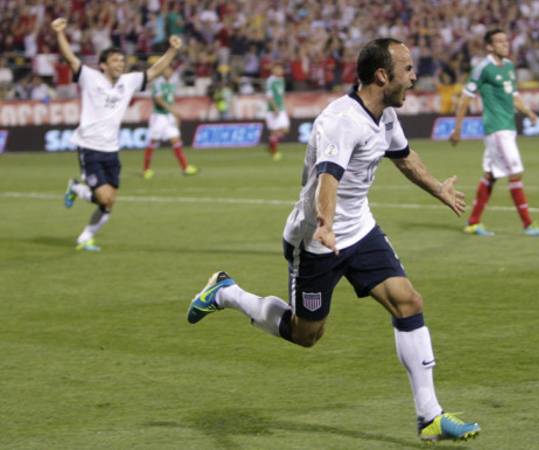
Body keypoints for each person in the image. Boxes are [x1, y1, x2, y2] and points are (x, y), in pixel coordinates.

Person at [187, 38, 481, 442]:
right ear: (382, 75)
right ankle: (227, 292)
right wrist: (325, 223)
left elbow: (405, 158)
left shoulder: (385, 115)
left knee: (408, 301)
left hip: (359, 230)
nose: (414, 77)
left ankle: (429, 416)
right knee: (308, 334)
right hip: (316, 240)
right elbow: (328, 176)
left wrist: (439, 190)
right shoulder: (341, 120)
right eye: (408, 69)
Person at [52, 17, 182, 251]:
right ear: (103, 65)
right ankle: (77, 191)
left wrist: (172, 49)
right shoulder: (90, 77)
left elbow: (154, 71)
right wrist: (59, 33)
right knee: (103, 197)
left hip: (112, 149)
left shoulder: (128, 81)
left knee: (109, 202)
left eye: (122, 60)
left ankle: (84, 234)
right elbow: (70, 58)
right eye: (115, 60)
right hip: (90, 147)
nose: (120, 64)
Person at [450, 28, 539, 237]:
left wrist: (529, 112)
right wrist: (457, 128)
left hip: (508, 127)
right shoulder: (482, 68)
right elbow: (466, 98)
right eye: (500, 42)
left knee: (491, 175)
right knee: (515, 173)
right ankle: (528, 224)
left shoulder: (510, 66)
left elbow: (514, 96)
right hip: (496, 129)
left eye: (506, 41)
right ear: (489, 46)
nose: (505, 45)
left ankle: (473, 223)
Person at [143, 64, 197, 180]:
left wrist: (174, 113)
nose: (170, 72)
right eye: (167, 69)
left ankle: (185, 167)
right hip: (158, 117)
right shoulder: (158, 83)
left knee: (176, 140)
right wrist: (173, 111)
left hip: (168, 116)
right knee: (153, 141)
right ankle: (146, 169)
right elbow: (158, 100)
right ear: (162, 71)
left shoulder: (172, 83)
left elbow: (170, 100)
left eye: (171, 69)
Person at [264, 63, 289, 161]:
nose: (280, 71)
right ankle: (274, 152)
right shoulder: (271, 81)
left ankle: (271, 146)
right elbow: (269, 96)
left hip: (281, 108)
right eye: (278, 69)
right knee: (275, 131)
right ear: (273, 70)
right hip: (273, 110)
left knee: (284, 129)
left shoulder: (281, 80)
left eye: (281, 69)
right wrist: (274, 108)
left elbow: (281, 95)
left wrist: (282, 105)